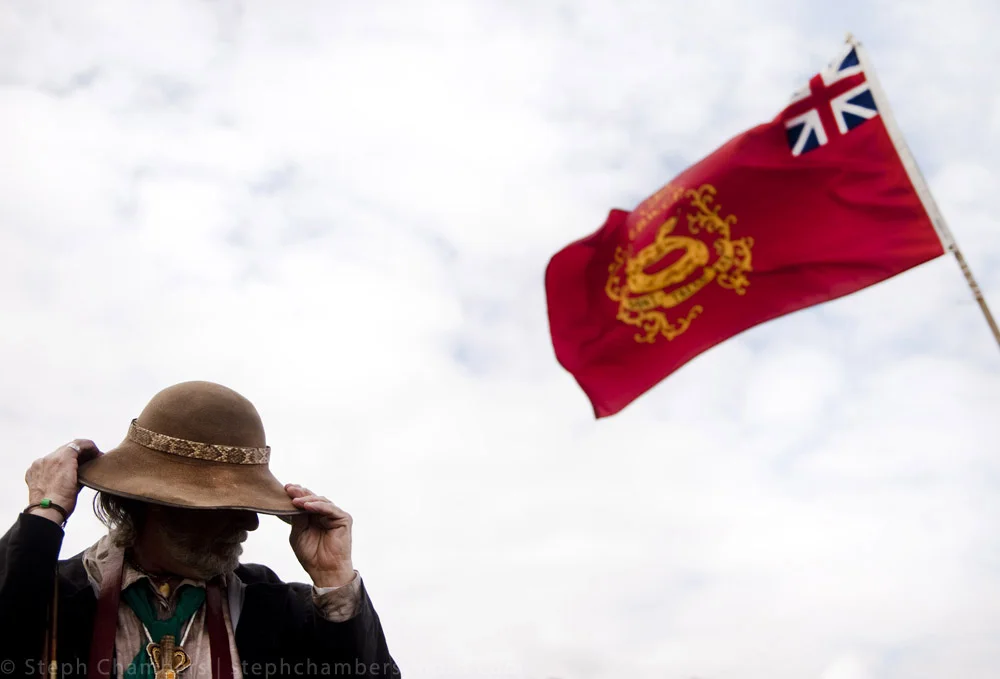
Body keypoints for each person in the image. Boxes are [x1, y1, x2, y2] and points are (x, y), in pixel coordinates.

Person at [0, 381, 399, 678]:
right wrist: (43, 516)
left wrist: (333, 578)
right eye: (226, 506)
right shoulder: (52, 595)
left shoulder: (276, 611)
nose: (250, 522)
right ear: (155, 501)